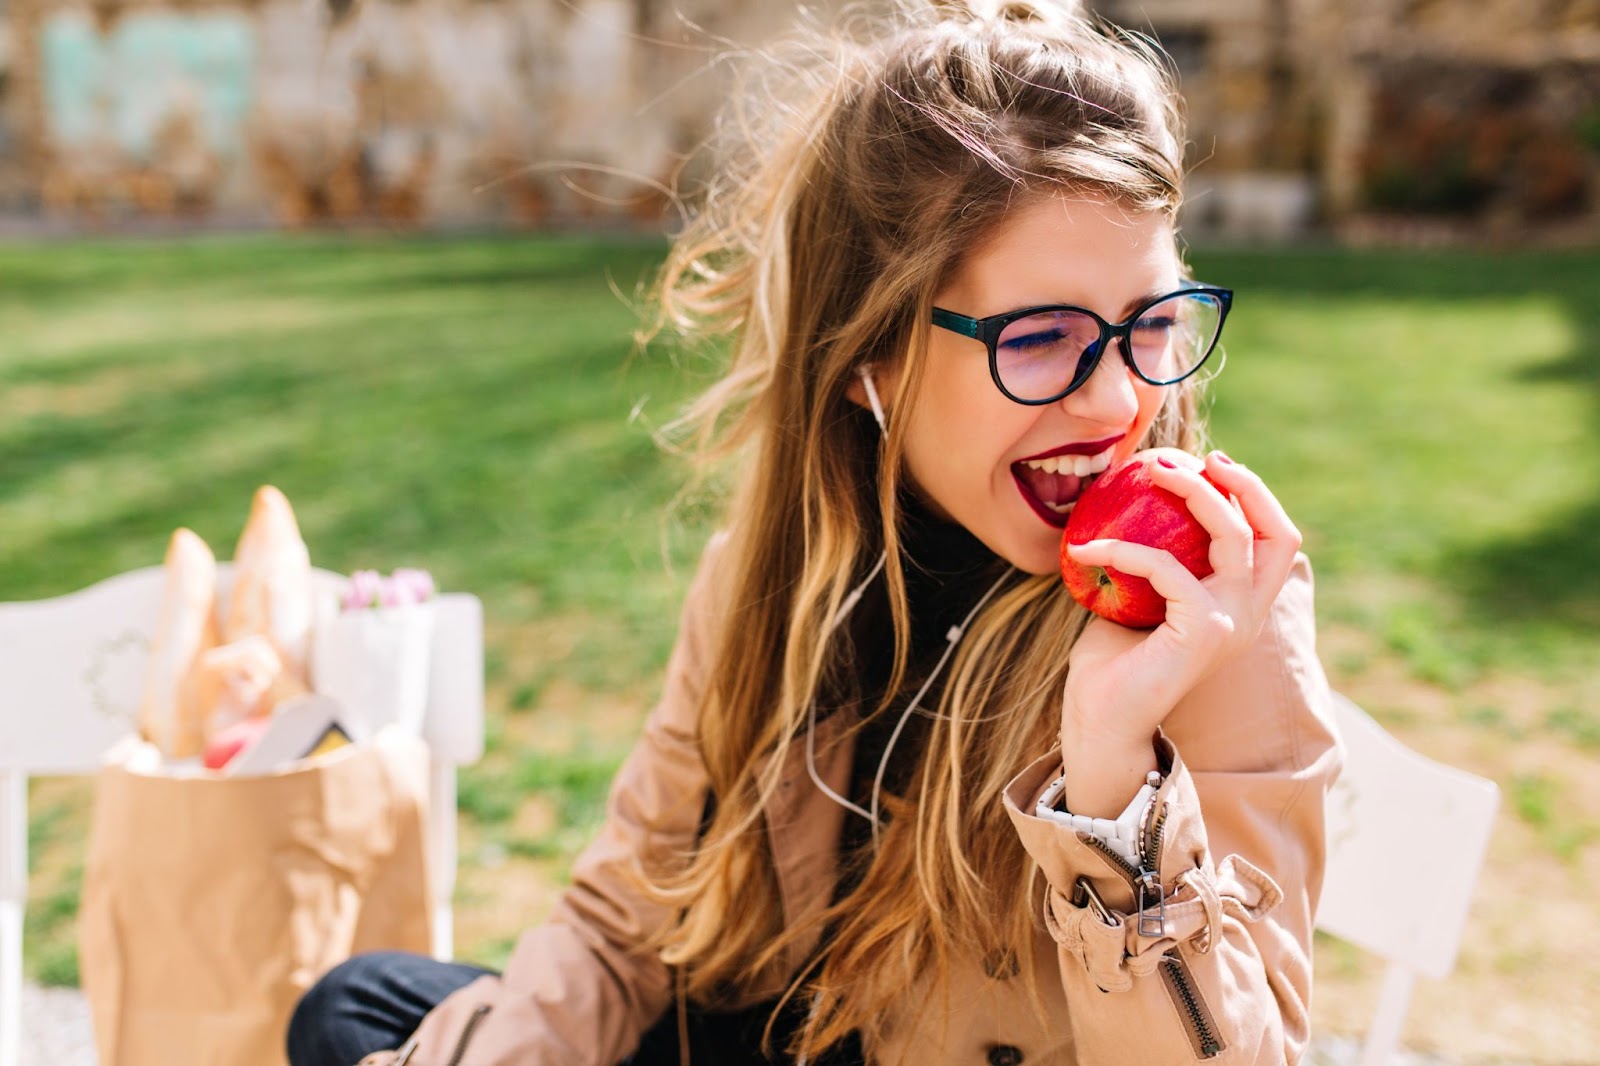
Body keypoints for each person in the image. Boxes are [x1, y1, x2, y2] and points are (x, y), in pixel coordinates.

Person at [286, 1, 1341, 1063]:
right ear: (866, 356)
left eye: (1152, 323)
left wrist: (1114, 783)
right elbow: (621, 924)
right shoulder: (771, 579)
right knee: (356, 1005)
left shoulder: (1207, 614)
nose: (1118, 400)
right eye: (1043, 338)